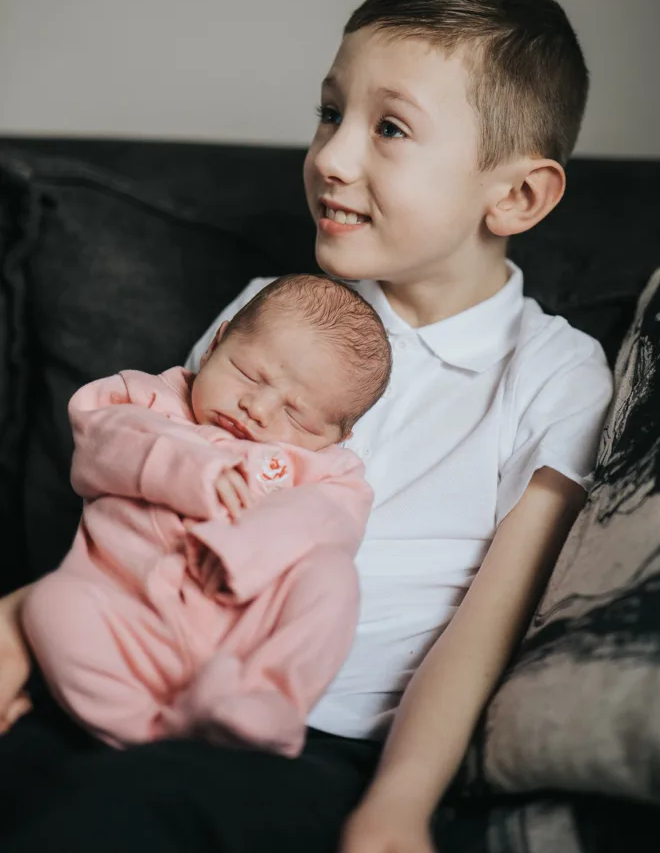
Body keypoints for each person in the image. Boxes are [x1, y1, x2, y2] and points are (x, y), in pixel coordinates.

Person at [0, 0, 613, 853]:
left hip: (308, 734)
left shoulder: (556, 374)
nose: (331, 155)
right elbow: (150, 482)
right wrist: (25, 616)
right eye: (330, 114)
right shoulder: (274, 308)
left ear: (514, 196)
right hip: (129, 652)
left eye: (388, 127)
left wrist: (398, 804)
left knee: (113, 818)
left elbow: (490, 626)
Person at [21, 274, 389, 754]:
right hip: (128, 618)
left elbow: (328, 524)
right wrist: (192, 470)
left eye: (296, 415)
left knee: (332, 576)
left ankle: (266, 700)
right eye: (249, 375)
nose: (256, 408)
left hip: (242, 635)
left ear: (337, 438)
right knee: (52, 604)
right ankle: (150, 729)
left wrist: (243, 550)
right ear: (217, 343)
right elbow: (101, 444)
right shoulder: (144, 400)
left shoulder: (329, 474)